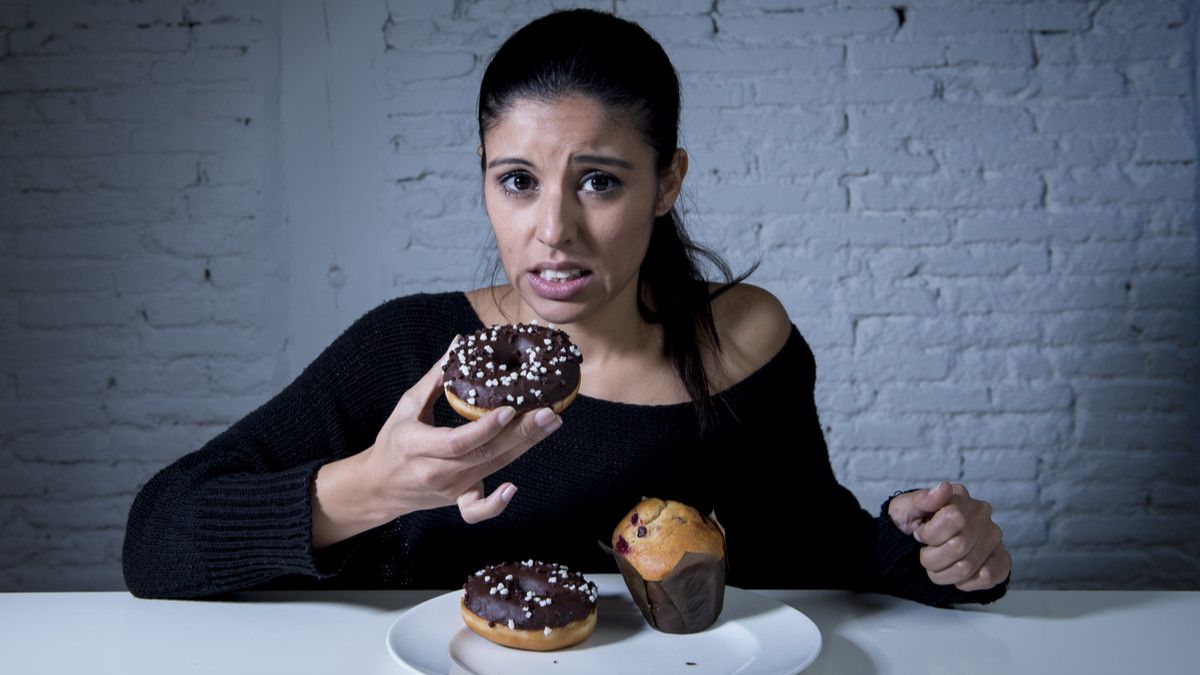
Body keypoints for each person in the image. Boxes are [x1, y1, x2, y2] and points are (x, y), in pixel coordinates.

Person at [123, 8, 1010, 604]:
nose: (553, 230)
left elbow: (814, 550)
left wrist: (934, 547)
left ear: (667, 181)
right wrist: (374, 486)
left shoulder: (743, 339)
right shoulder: (413, 348)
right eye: (517, 180)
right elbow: (156, 538)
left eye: (599, 182)